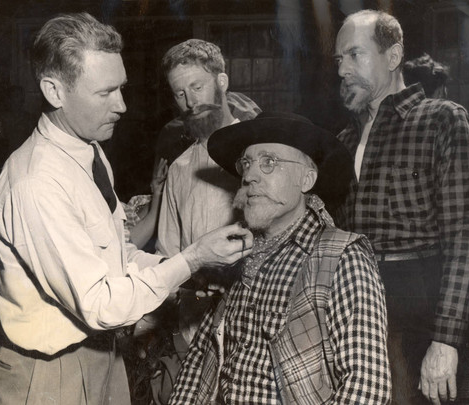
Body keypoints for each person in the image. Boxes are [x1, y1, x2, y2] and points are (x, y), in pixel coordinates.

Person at [0, 12, 254, 405]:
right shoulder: (37, 182)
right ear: (54, 91)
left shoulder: (88, 151)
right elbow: (101, 304)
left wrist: (188, 269)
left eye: (122, 88)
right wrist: (193, 258)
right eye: (105, 93)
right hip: (51, 375)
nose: (123, 105)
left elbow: (117, 256)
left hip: (102, 356)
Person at [168, 111, 391, 404]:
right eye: (246, 163)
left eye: (269, 162)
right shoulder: (238, 258)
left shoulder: (342, 258)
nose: (249, 175)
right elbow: (199, 364)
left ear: (307, 179)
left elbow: (367, 389)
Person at [333, 9, 469, 404]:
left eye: (354, 55)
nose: (342, 70)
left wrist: (447, 340)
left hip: (427, 308)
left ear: (394, 55)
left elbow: (466, 234)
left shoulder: (442, 119)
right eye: (338, 60)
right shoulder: (343, 141)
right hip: (366, 309)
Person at [156, 39, 261, 344]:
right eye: (180, 93)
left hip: (255, 330)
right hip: (195, 334)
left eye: (197, 86)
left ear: (222, 81)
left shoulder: (261, 151)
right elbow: (167, 255)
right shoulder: (179, 168)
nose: (190, 102)